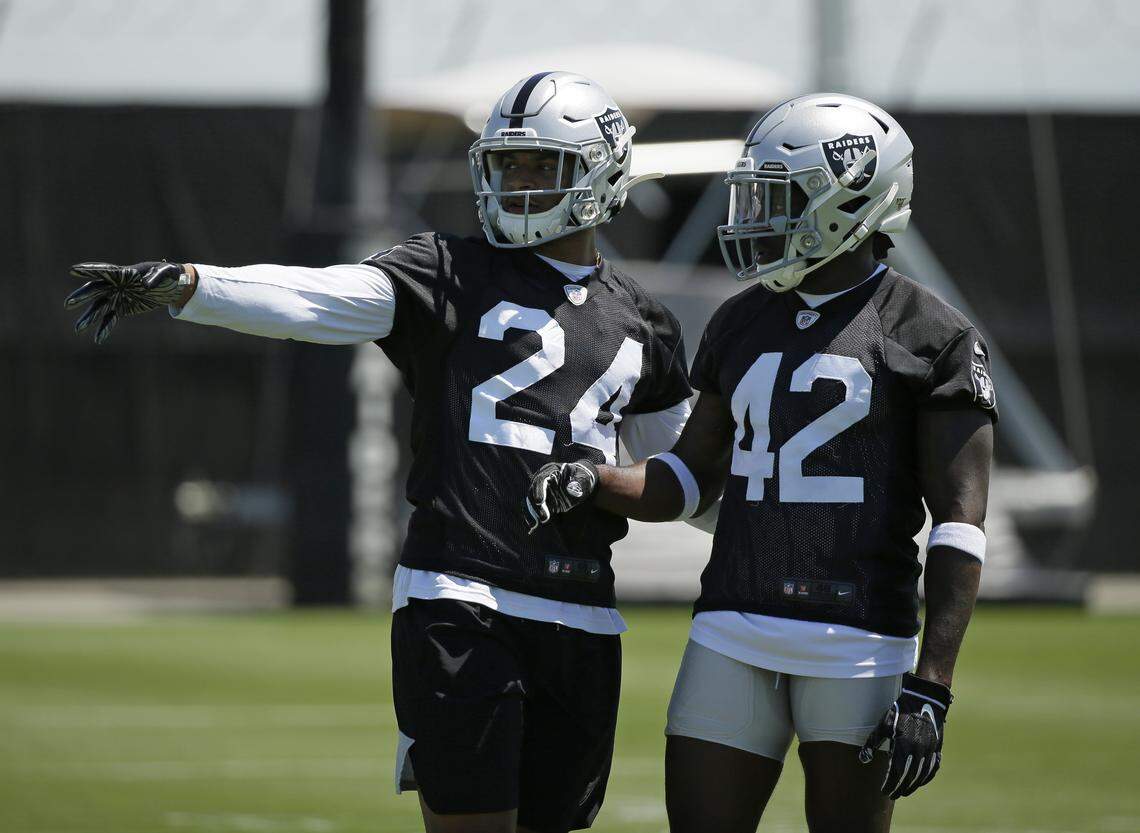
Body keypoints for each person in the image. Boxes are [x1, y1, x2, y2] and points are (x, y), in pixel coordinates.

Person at [64, 72, 696, 833]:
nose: (516, 184)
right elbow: (314, 297)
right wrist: (197, 285)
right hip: (460, 594)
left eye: (539, 167)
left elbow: (684, 479)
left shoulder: (644, 321)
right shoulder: (447, 269)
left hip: (585, 614)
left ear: (600, 172)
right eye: (506, 165)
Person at [525, 93, 998, 833]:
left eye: (783, 198)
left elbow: (961, 521)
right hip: (732, 626)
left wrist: (932, 681)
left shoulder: (932, 333)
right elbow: (687, 477)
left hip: (859, 639)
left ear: (850, 203)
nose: (759, 218)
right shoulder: (740, 318)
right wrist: (597, 478)